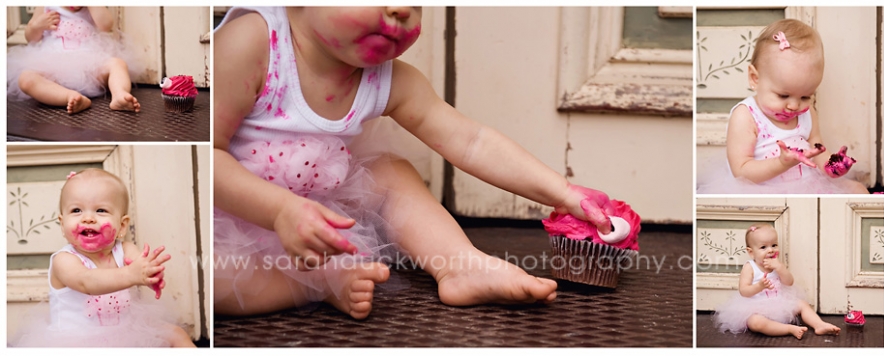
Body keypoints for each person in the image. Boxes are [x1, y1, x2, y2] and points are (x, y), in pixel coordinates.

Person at [213, 7, 618, 319]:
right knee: (209, 281)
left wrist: (562, 193)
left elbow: (470, 141)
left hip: (323, 210)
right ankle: (314, 283)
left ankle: (461, 265)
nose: (402, 9)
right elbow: (205, 157)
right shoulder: (251, 44)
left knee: (392, 172)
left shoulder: (386, 77)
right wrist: (280, 209)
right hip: (235, 209)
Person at [10, 169, 194, 347]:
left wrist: (149, 273)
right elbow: (86, 282)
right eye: (76, 211)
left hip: (125, 333)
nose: (88, 218)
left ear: (122, 226)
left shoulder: (125, 251)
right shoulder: (64, 260)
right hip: (77, 341)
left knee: (176, 334)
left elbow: (140, 266)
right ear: (62, 222)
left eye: (100, 210)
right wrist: (131, 274)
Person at [697, 19, 867, 194]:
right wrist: (781, 163)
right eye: (783, 95)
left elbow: (818, 151)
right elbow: (741, 171)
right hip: (763, 189)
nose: (794, 106)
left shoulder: (808, 113)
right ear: (755, 78)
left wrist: (832, 166)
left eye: (805, 96)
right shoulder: (746, 116)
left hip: (807, 183)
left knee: (858, 190)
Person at [713, 224, 840, 339]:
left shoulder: (777, 265)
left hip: (780, 302)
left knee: (802, 304)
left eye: (774, 245)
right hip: (756, 307)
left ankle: (819, 325)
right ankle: (789, 329)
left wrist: (780, 268)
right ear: (751, 252)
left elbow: (789, 282)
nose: (771, 250)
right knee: (756, 323)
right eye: (763, 247)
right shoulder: (750, 267)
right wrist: (759, 286)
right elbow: (744, 291)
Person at [7, 6, 142, 114]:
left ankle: (119, 95)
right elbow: (31, 39)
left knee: (117, 64)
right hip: (53, 71)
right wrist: (36, 26)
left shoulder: (91, 8)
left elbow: (106, 25)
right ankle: (69, 97)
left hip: (90, 68)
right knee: (26, 79)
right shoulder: (46, 5)